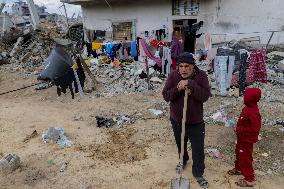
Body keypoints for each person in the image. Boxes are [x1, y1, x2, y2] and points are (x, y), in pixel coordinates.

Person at [162, 52, 211, 188]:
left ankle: (198, 172)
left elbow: (205, 96)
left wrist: (191, 85)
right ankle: (183, 161)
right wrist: (178, 89)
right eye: (181, 66)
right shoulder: (173, 76)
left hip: (196, 121)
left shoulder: (201, 76)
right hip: (177, 119)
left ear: (193, 66)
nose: (183, 69)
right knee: (181, 145)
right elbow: (166, 96)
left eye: (187, 66)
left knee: (198, 148)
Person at [228, 88, 261, 187]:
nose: (243, 98)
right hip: (241, 138)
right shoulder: (247, 108)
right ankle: (239, 168)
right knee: (238, 153)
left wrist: (239, 129)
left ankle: (250, 179)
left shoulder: (253, 112)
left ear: (250, 98)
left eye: (245, 96)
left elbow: (255, 129)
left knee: (245, 157)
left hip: (247, 140)